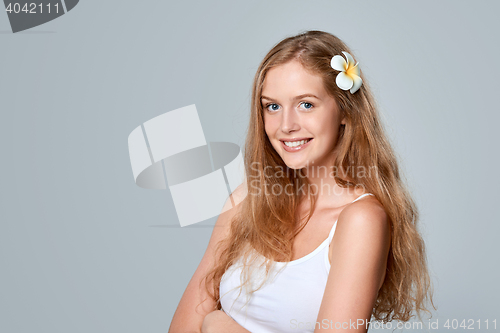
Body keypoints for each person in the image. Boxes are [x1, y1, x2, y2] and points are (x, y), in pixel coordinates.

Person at [169, 30, 435, 333]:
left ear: (345, 110)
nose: (286, 126)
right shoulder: (245, 202)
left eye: (306, 104)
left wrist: (219, 326)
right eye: (272, 106)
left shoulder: (361, 220)